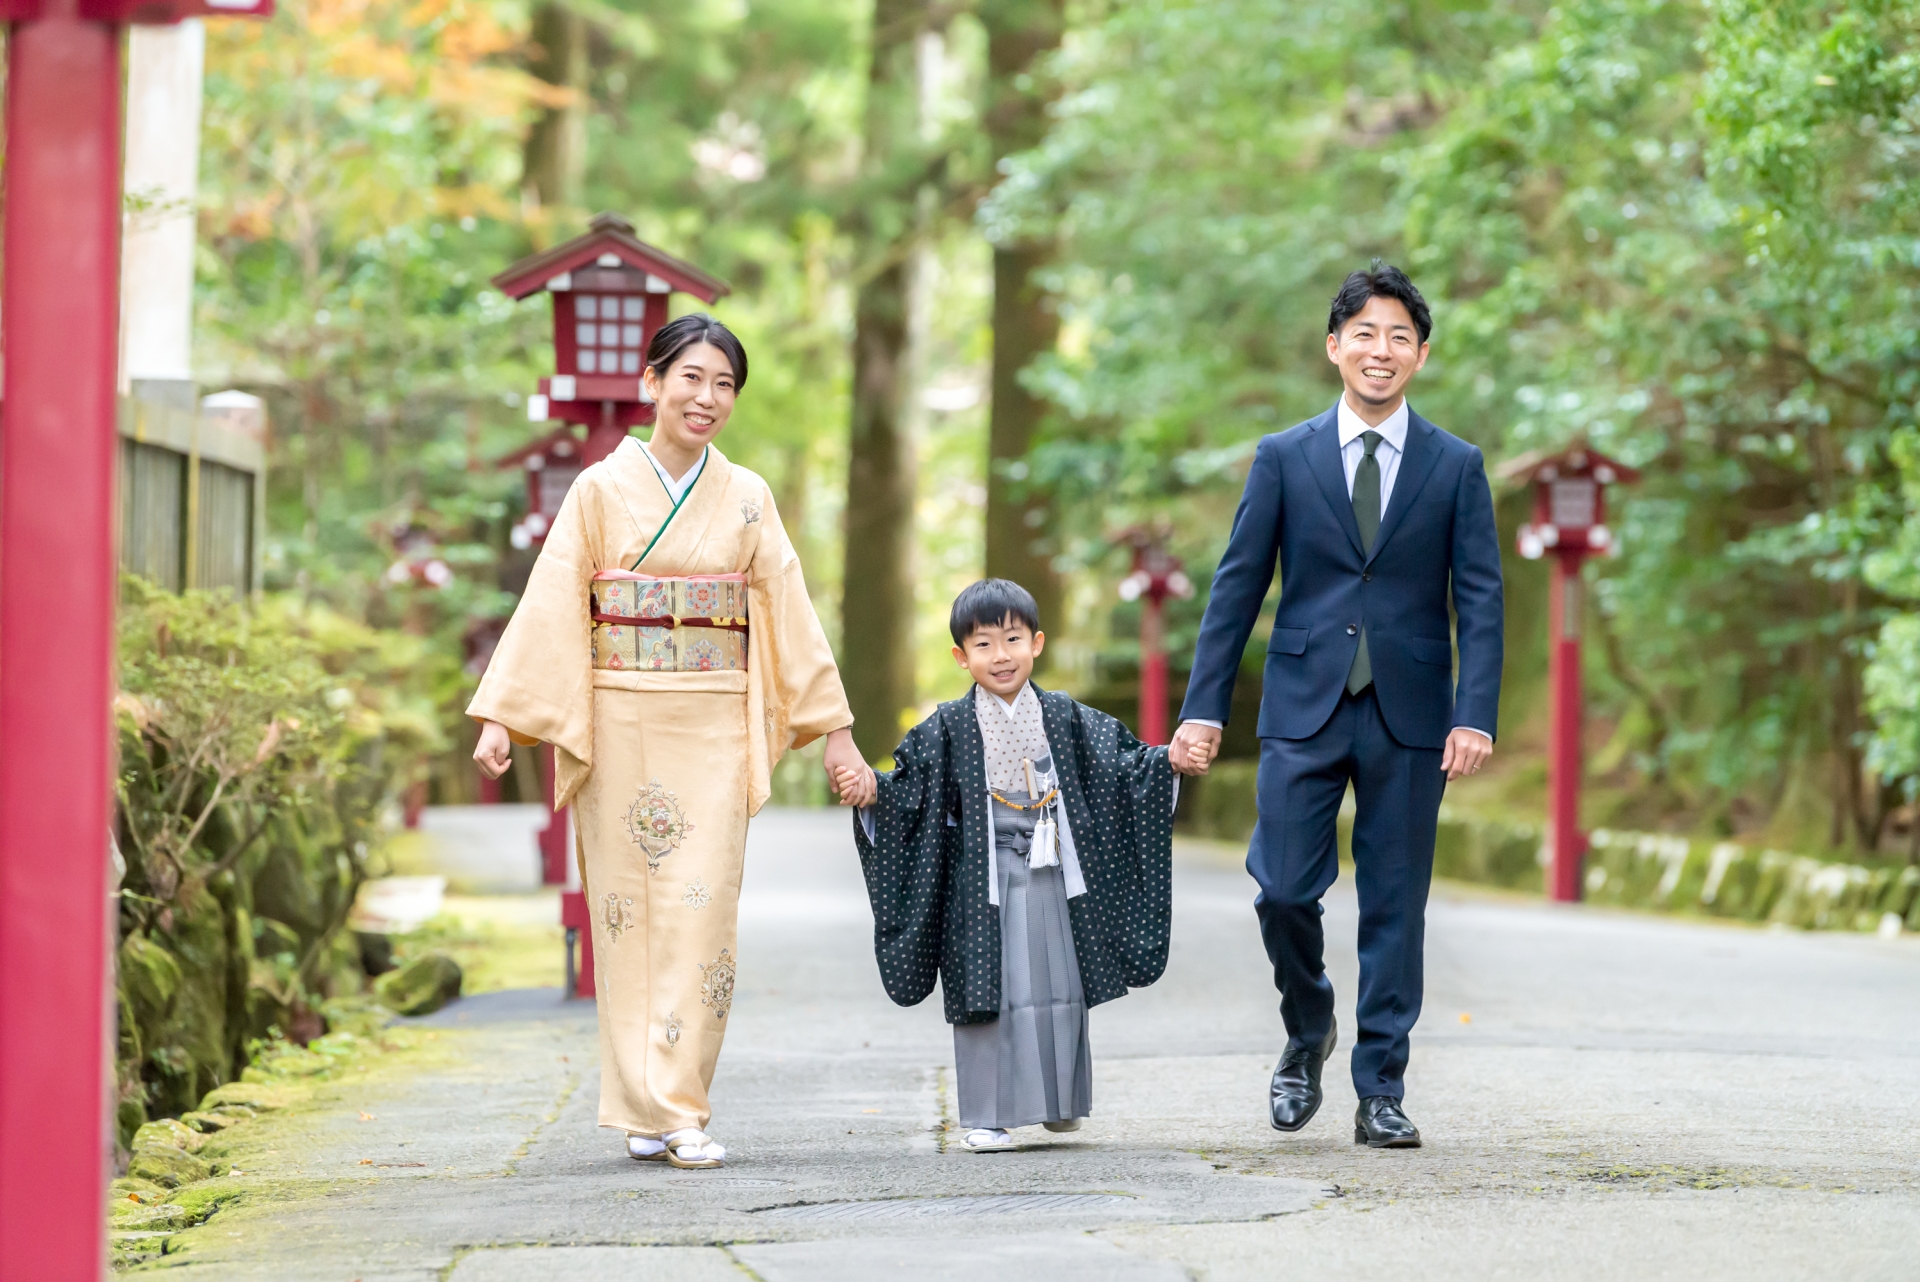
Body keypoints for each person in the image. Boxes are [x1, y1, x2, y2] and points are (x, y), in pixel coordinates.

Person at [470, 313, 875, 1171]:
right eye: (691, 377)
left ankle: (680, 1104)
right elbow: (550, 604)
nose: (708, 397)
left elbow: (790, 618)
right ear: (651, 381)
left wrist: (836, 736)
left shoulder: (748, 497)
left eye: (725, 384)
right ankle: (646, 1105)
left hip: (714, 720)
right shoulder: (598, 491)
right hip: (617, 718)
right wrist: (504, 715)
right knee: (623, 916)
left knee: (699, 914)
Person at [1170, 262, 1503, 1148]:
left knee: (1397, 905)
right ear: (1334, 347)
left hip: (1414, 715)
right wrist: (1204, 708)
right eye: (1365, 334)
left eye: (1399, 336)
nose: (1380, 350)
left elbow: (1481, 598)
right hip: (1303, 706)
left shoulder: (1456, 466)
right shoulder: (1284, 457)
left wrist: (1476, 713)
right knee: (1281, 888)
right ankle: (1308, 1023)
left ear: (1421, 355)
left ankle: (1380, 1088)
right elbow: (1237, 590)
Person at [841, 579, 1175, 1153]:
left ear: (1037, 643)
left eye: (1013, 639)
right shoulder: (946, 727)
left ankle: (1059, 1104)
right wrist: (874, 791)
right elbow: (908, 792)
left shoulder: (1065, 715)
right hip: (982, 877)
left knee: (1058, 984)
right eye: (984, 644)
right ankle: (985, 1115)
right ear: (960, 656)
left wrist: (1168, 760)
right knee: (987, 987)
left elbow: (1125, 766)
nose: (1001, 656)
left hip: (1052, 866)